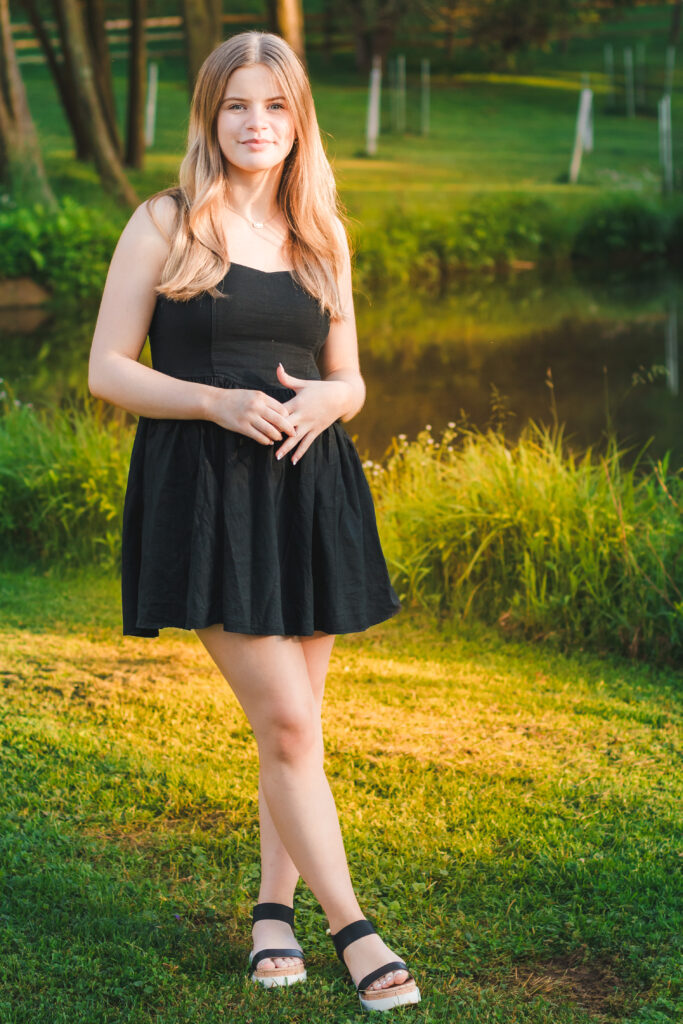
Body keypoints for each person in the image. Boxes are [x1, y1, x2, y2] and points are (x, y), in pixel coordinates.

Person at [88, 30, 421, 1014]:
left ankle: (270, 909)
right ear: (209, 114)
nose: (255, 124)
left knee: (297, 730)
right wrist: (213, 402)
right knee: (282, 717)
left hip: (309, 492)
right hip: (206, 493)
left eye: (274, 106)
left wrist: (333, 401)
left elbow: (351, 376)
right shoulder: (165, 222)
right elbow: (106, 368)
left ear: (297, 119)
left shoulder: (321, 233)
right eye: (237, 104)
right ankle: (352, 927)